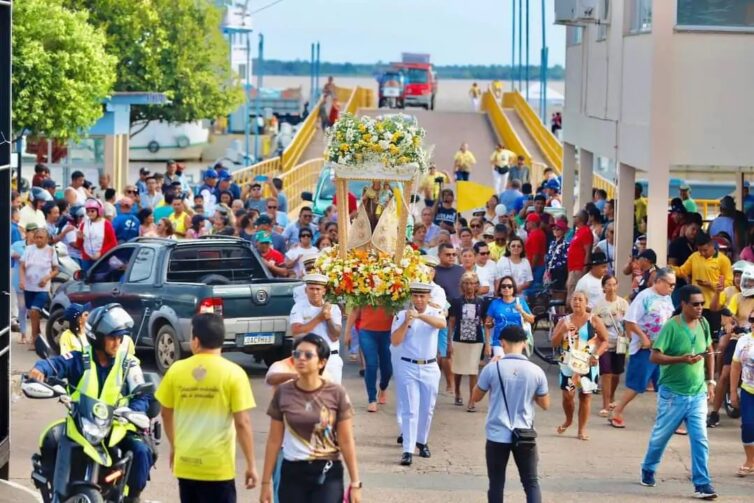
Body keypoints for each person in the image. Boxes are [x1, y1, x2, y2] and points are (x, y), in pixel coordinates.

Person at [29, 304, 154, 502]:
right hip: (82, 423)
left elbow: (143, 393)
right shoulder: (80, 358)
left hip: (117, 426)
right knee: (51, 439)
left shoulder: (128, 364)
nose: (117, 343)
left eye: (120, 338)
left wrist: (132, 410)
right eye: (112, 337)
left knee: (140, 450)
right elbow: (57, 363)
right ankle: (54, 493)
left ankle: (133, 497)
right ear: (97, 337)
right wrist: (40, 369)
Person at [156, 313, 257, 502]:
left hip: (186, 463)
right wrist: (251, 464)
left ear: (196, 340)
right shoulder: (234, 374)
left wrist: (174, 446)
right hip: (218, 468)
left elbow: (165, 413)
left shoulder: (176, 370)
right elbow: (242, 423)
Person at [260, 333, 361, 503]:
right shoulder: (283, 393)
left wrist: (355, 483)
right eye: (297, 354)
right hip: (293, 471)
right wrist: (264, 484)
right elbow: (274, 440)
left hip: (327, 471)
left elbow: (346, 440)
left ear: (321, 362)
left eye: (308, 355)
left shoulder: (336, 393)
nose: (301, 359)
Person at [638, 285, 717, 499]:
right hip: (673, 395)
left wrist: (711, 381)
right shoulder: (671, 327)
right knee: (660, 437)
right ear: (683, 304)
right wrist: (681, 359)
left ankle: (702, 483)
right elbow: (654, 357)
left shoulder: (703, 323)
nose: (700, 307)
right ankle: (648, 467)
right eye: (696, 304)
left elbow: (709, 351)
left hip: (698, 393)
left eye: (702, 304)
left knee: (700, 439)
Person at [472, 325, 549, 503]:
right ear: (524, 343)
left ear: (502, 343)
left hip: (497, 434)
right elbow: (545, 404)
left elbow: (476, 397)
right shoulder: (536, 371)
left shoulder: (493, 368)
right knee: (531, 482)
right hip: (524, 434)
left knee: (496, 483)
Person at [609, 268, 677, 429]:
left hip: (663, 348)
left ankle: (669, 420)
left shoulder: (667, 298)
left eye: (674, 284)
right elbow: (630, 321)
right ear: (659, 281)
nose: (672, 287)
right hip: (644, 349)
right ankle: (617, 411)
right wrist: (644, 337)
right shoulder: (644, 297)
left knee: (666, 385)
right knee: (637, 384)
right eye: (670, 284)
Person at [392, 282, 447, 466]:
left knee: (427, 408)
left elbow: (442, 324)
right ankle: (407, 449)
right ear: (411, 297)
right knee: (410, 409)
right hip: (408, 365)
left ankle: (422, 441)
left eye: (422, 296)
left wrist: (420, 316)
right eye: (416, 296)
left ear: (428, 297)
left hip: (429, 366)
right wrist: (408, 321)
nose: (419, 299)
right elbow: (396, 340)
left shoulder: (434, 312)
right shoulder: (401, 315)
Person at [552, 290, 609, 440]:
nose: (577, 302)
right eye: (574, 299)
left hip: (587, 363)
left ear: (586, 302)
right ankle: (568, 420)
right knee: (568, 395)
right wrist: (562, 331)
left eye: (580, 299)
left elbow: (605, 340)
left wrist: (597, 354)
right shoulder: (563, 321)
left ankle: (582, 429)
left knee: (585, 395)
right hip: (568, 363)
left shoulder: (594, 320)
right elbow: (554, 342)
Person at [290, 274, 343, 383]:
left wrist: (328, 318)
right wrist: (319, 318)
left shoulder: (333, 308)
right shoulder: (299, 307)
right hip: (309, 357)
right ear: (306, 290)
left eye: (318, 289)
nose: (315, 292)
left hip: (331, 358)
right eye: (311, 289)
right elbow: (296, 331)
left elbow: (335, 336)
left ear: (324, 291)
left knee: (333, 395)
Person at [448, 272, 489, 411]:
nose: (469, 286)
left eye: (472, 283)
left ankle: (472, 400)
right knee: (458, 369)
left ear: (477, 285)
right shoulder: (456, 301)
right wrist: (449, 342)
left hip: (476, 339)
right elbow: (452, 322)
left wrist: (488, 343)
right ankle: (458, 392)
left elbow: (486, 323)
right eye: (466, 283)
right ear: (462, 285)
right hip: (459, 337)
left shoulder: (481, 302)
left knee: (473, 370)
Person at [592, 275, 630, 417]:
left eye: (614, 284)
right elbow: (593, 323)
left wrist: (629, 338)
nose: (611, 288)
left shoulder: (623, 304)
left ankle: (611, 396)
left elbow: (629, 323)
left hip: (620, 342)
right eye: (608, 284)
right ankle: (605, 404)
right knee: (606, 372)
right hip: (604, 342)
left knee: (616, 373)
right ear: (603, 287)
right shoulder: (598, 306)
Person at [345, 304, 393, 413]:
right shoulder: (363, 287)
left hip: (387, 332)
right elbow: (355, 310)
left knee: (388, 369)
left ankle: (383, 387)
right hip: (366, 331)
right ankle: (372, 399)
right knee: (371, 364)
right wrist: (347, 332)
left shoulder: (394, 288)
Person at [20, 228, 59, 347]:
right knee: (33, 314)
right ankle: (38, 335)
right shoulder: (29, 249)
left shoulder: (50, 251)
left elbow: (56, 270)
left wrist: (47, 278)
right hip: (29, 286)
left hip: (42, 288)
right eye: (37, 237)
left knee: (34, 311)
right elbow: (22, 266)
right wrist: (22, 281)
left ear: (47, 239)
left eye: (41, 237)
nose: (38, 240)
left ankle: (34, 339)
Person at [433, 244, 463, 392]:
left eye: (453, 254)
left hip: (461, 315)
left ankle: (453, 381)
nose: (451, 257)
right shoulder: (435, 271)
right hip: (443, 316)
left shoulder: (460, 270)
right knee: (446, 352)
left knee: (456, 351)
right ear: (440, 255)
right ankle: (450, 383)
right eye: (448, 254)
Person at [485, 276, 534, 359]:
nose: (506, 288)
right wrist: (487, 344)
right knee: (500, 366)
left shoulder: (520, 302)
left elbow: (531, 320)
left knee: (513, 368)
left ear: (513, 288)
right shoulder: (495, 303)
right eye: (503, 286)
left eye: (509, 286)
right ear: (500, 289)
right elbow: (487, 324)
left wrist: (522, 311)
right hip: (499, 341)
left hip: (516, 341)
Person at [730, 314, 754, 477]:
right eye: (752, 320)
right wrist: (733, 392)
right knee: (748, 426)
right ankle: (750, 461)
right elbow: (735, 366)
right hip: (748, 390)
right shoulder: (744, 341)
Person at [77, 199, 117, 271]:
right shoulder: (83, 224)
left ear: (99, 210)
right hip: (86, 259)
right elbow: (79, 245)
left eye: (92, 211)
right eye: (88, 211)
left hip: (102, 259)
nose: (90, 213)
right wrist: (79, 238)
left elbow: (113, 243)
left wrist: (101, 253)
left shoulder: (106, 224)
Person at [566, 210, 593, 304]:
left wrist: (584, 270)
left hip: (579, 269)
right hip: (573, 269)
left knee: (574, 298)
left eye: (575, 216)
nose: (573, 218)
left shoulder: (586, 231)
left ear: (580, 219)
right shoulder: (578, 232)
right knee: (570, 295)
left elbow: (587, 252)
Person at [545, 219, 570, 291]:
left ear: (563, 231)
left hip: (560, 273)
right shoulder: (552, 243)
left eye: (558, 229)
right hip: (550, 272)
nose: (555, 230)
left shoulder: (566, 244)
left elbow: (566, 261)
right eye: (553, 229)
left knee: (558, 292)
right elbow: (548, 258)